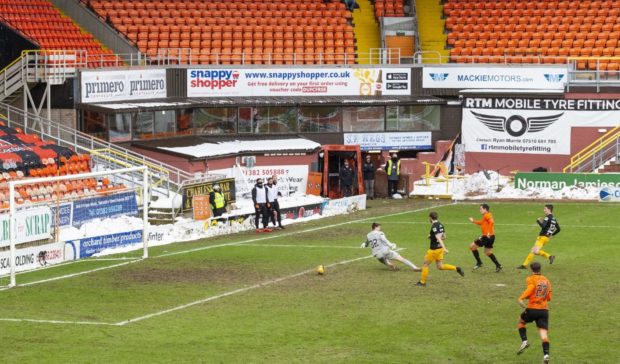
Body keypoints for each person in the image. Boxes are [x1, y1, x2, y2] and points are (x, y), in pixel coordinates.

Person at [415, 211, 464, 287]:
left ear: (430, 218)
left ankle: (422, 282)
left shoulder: (434, 226)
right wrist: (432, 237)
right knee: (440, 266)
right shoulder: (441, 225)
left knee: (425, 265)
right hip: (439, 249)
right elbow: (444, 237)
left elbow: (438, 237)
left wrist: (445, 248)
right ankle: (456, 268)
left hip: (434, 250)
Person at [516, 262, 552, 364]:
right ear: (540, 269)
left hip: (532, 309)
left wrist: (521, 298)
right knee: (543, 334)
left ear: (531, 269)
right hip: (544, 311)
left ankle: (524, 340)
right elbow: (549, 298)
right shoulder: (547, 280)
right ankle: (546, 355)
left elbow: (530, 289)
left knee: (521, 321)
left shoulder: (530, 279)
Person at [518, 204, 561, 269]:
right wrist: (552, 235)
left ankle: (549, 256)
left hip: (542, 237)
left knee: (535, 251)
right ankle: (524, 265)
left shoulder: (547, 217)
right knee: (533, 250)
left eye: (545, 209)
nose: (544, 210)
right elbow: (558, 229)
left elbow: (543, 226)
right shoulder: (554, 219)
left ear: (549, 209)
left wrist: (538, 221)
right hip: (546, 238)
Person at [468, 203, 502, 272]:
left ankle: (479, 262)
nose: (480, 210)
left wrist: (488, 233)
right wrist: (473, 221)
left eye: (481, 209)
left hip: (487, 236)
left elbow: (492, 222)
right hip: (492, 237)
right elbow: (481, 223)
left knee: (472, 246)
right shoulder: (486, 216)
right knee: (487, 252)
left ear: (485, 209)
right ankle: (498, 265)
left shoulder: (487, 215)